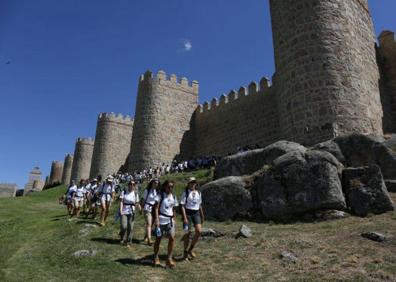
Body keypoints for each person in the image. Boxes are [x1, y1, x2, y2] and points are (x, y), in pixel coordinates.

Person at [153, 180, 178, 268]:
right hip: (161, 220)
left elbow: (174, 209)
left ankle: (169, 258)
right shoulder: (160, 195)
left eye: (172, 187)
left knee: (172, 238)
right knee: (158, 239)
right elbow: (156, 208)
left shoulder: (174, 196)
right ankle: (156, 257)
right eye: (168, 186)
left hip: (170, 220)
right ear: (165, 187)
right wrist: (157, 220)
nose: (170, 188)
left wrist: (174, 219)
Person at [180, 177, 204, 260]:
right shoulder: (185, 192)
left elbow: (199, 204)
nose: (193, 184)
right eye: (191, 182)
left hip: (196, 213)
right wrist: (185, 217)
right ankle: (185, 253)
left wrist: (202, 214)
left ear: (196, 184)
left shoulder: (199, 193)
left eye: (194, 182)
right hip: (188, 213)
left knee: (199, 231)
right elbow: (182, 205)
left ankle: (190, 249)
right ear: (188, 183)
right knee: (187, 233)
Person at [119, 181, 141, 247]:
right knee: (124, 226)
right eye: (130, 184)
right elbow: (121, 202)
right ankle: (122, 237)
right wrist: (120, 210)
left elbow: (137, 203)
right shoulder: (124, 192)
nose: (132, 185)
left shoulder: (135, 193)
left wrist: (140, 208)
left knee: (130, 227)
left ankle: (128, 241)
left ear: (134, 186)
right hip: (124, 211)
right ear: (128, 185)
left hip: (132, 212)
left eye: (133, 184)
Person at [141, 178, 160, 246]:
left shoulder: (157, 192)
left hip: (154, 209)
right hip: (147, 208)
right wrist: (141, 208)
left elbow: (157, 202)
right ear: (152, 183)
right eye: (155, 183)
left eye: (157, 183)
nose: (156, 184)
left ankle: (146, 237)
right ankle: (149, 239)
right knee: (149, 223)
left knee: (150, 224)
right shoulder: (147, 191)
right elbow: (143, 200)